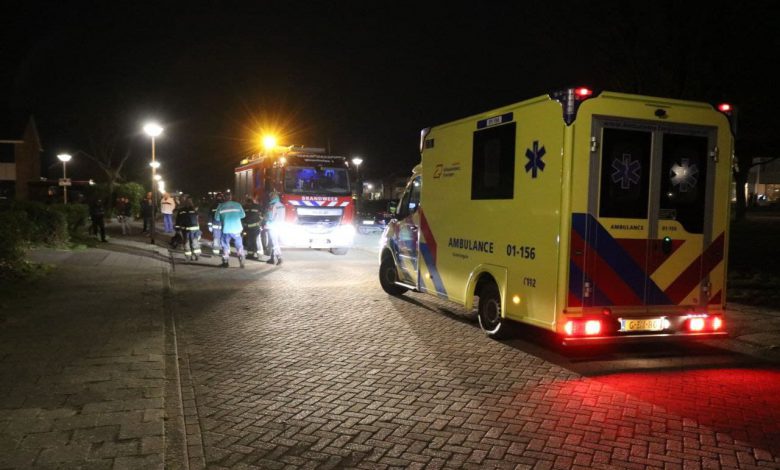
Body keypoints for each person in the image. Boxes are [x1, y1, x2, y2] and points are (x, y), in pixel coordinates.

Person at [214, 192, 246, 268]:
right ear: (231, 197)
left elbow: (217, 218)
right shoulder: (238, 205)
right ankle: (241, 258)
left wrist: (224, 217)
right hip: (237, 229)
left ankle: (225, 262)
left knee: (225, 245)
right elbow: (243, 215)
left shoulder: (220, 206)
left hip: (226, 229)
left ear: (224, 198)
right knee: (239, 244)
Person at [175, 196, 202, 261]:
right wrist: (177, 229)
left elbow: (198, 218)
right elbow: (178, 220)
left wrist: (177, 229)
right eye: (188, 201)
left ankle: (194, 256)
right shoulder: (183, 210)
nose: (189, 202)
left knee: (192, 242)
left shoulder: (193, 209)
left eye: (190, 201)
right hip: (187, 230)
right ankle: (190, 256)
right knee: (190, 243)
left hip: (191, 229)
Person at [264, 191, 285, 265]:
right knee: (274, 242)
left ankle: (279, 258)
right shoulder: (281, 205)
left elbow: (271, 217)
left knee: (274, 242)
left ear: (273, 197)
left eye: (271, 196)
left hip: (273, 226)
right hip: (280, 225)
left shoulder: (272, 205)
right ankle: (272, 258)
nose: (270, 198)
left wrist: (266, 224)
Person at [242, 195, 263, 260]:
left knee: (253, 240)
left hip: (251, 227)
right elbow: (262, 215)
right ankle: (251, 254)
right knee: (252, 240)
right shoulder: (257, 206)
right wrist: (260, 221)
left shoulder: (245, 207)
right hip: (253, 227)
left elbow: (263, 214)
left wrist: (260, 221)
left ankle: (254, 254)